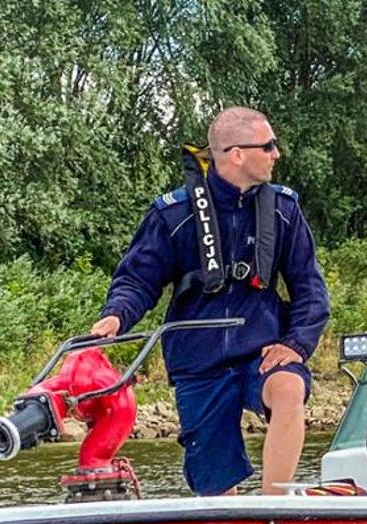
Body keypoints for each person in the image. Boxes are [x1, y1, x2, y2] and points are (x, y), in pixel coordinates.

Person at [90, 107, 330, 495]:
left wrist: (296, 344)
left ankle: (275, 508)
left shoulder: (284, 210)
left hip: (262, 351)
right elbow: (137, 280)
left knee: (288, 388)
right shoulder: (173, 213)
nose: (276, 154)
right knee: (214, 485)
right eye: (268, 146)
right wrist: (116, 316)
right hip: (198, 363)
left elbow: (310, 289)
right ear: (236, 154)